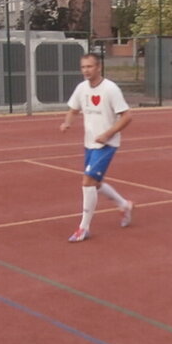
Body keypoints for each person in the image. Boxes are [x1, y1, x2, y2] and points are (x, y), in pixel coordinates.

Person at [59, 53, 134, 242]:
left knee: (87, 181)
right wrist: (67, 122)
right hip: (90, 143)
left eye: (89, 66)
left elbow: (127, 116)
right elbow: (73, 110)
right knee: (96, 184)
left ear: (98, 67)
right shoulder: (81, 88)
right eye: (83, 67)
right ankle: (124, 204)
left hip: (107, 144)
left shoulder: (110, 89)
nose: (86, 70)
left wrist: (108, 134)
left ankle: (83, 228)